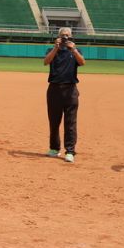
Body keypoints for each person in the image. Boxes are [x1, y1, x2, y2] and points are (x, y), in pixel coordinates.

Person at [43, 27, 84, 163]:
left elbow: (82, 62)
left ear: (71, 37)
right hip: (54, 89)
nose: (65, 38)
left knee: (70, 122)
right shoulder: (52, 50)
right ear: (58, 37)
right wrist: (56, 47)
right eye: (63, 35)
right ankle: (54, 148)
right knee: (54, 121)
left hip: (70, 89)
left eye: (67, 35)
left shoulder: (74, 50)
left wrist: (74, 49)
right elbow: (46, 62)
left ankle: (70, 151)